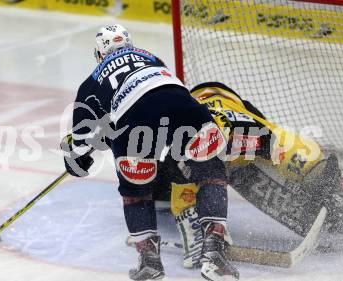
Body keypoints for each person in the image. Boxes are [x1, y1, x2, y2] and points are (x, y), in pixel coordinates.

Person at [61, 25, 239, 281]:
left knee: (136, 189)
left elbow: (79, 143)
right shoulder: (152, 58)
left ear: (99, 53)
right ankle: (215, 256)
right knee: (209, 169)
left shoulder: (92, 80)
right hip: (182, 101)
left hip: (133, 117)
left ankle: (150, 264)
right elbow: (158, 97)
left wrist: (80, 155)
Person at [154, 82, 343, 268]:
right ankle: (159, 195)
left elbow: (290, 146)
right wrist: (201, 229)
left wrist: (325, 177)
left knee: (287, 163)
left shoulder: (253, 135)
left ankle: (333, 215)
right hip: (200, 116)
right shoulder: (182, 155)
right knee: (164, 182)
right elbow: (183, 199)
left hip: (229, 103)